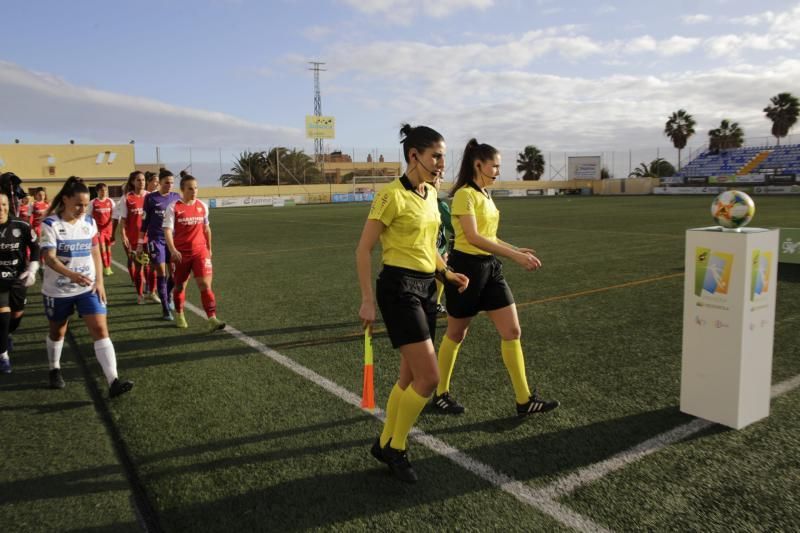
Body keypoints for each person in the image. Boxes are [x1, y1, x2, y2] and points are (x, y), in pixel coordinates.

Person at [357, 124, 468, 483]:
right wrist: (367, 302)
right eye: (435, 156)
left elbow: (429, 247)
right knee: (429, 377)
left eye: (443, 158)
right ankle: (397, 447)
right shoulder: (391, 196)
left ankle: (385, 442)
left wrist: (446, 274)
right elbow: (363, 249)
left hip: (425, 288)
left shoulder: (431, 194)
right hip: (398, 288)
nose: (441, 164)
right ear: (413, 155)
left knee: (409, 377)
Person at [432, 139, 559, 417]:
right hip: (466, 268)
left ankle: (524, 400)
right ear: (479, 165)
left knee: (512, 331)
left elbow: (488, 237)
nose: (499, 171)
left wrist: (515, 248)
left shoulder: (486, 194)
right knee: (456, 333)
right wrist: (514, 257)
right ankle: (440, 393)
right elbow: (474, 237)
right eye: (496, 166)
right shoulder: (466, 194)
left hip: (491, 269)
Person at [39, 177, 133, 397]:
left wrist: (99, 281)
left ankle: (113, 381)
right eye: (78, 204)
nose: (83, 209)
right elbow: (49, 259)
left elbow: (95, 252)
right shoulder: (51, 224)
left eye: (85, 204)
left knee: (100, 330)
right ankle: (54, 368)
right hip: (58, 290)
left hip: (88, 288)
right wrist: (72, 275)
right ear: (65, 200)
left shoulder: (89, 223)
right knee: (57, 331)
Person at [163, 172, 225, 332]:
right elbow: (168, 231)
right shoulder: (173, 207)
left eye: (196, 188)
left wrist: (209, 249)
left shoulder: (202, 206)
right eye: (190, 189)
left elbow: (206, 228)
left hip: (200, 252)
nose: (194, 191)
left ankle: (212, 318)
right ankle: (179, 313)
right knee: (179, 287)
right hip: (180, 254)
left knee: (205, 285)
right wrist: (173, 249)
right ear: (183, 190)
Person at [0, 194, 40, 374]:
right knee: (3, 315)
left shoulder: (21, 225)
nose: (1, 209)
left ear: (9, 205)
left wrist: (32, 269)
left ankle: (6, 335)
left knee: (16, 315)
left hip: (17, 277)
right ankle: (3, 356)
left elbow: (36, 247)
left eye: (3, 205)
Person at [139, 168, 181, 320]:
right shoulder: (150, 198)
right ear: (159, 183)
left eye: (172, 183)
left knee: (175, 273)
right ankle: (165, 308)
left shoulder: (176, 197)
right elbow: (144, 222)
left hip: (172, 240)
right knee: (162, 274)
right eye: (166, 182)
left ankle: (168, 295)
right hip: (156, 240)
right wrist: (139, 243)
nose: (169, 185)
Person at [115, 171, 151, 304]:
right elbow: (123, 220)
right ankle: (140, 295)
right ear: (132, 182)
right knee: (139, 265)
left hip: (150, 237)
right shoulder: (127, 198)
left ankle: (149, 289)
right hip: (134, 238)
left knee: (150, 265)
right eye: (138, 180)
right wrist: (123, 235)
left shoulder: (150, 196)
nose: (141, 182)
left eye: (143, 180)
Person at [433, 176, 454, 315]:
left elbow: (451, 226)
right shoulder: (439, 205)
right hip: (428, 250)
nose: (441, 181)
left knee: (442, 275)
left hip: (439, 248)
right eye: (439, 178)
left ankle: (437, 303)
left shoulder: (440, 204)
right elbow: (454, 227)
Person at [88, 183, 115, 276]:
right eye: (101, 190)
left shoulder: (110, 201)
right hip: (99, 230)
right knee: (102, 248)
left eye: (105, 190)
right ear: (97, 191)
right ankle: (106, 267)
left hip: (109, 229)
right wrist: (93, 229)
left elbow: (114, 214)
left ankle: (109, 266)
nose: (104, 192)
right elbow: (89, 217)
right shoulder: (93, 202)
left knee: (108, 248)